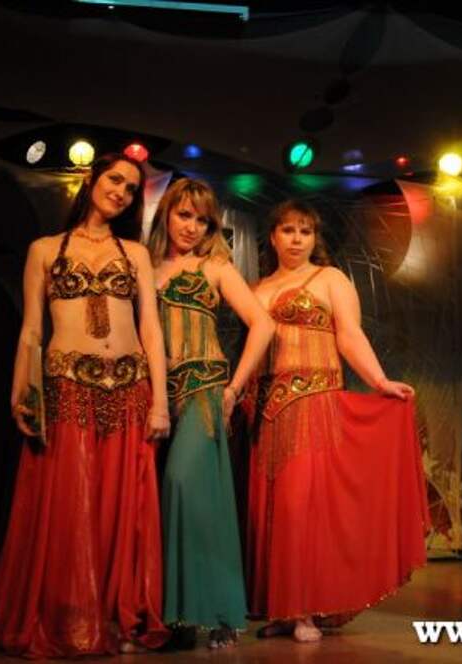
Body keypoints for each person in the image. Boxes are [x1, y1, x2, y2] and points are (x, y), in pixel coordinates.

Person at [0, 153, 170, 657]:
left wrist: (160, 402)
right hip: (67, 387)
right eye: (115, 180)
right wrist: (23, 393)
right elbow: (31, 330)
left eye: (130, 189)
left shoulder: (136, 253)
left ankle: (114, 614)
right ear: (91, 179)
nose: (121, 193)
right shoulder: (44, 249)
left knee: (118, 508)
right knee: (70, 508)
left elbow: (151, 329)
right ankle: (68, 615)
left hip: (129, 388)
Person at [246, 200, 430, 642]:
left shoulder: (330, 279)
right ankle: (284, 608)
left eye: (305, 231)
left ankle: (307, 610)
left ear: (315, 238)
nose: (296, 239)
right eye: (288, 230)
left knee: (302, 507)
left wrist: (379, 380)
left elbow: (349, 335)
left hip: (315, 406)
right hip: (268, 410)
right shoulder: (256, 287)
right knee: (274, 512)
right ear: (272, 237)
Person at [148, 177, 274, 649]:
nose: (192, 227)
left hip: (203, 389)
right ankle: (175, 614)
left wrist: (234, 388)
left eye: (202, 221)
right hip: (154, 393)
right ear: (166, 214)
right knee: (161, 501)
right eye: (184, 215)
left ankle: (215, 609)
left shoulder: (216, 266)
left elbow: (263, 323)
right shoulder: (144, 265)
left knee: (187, 487)